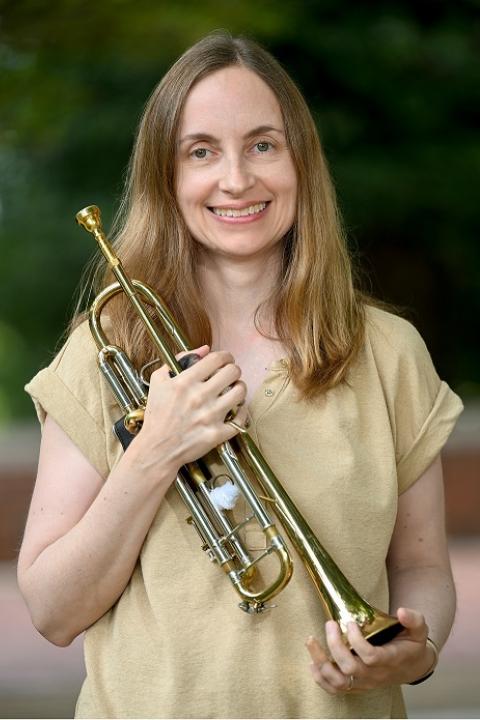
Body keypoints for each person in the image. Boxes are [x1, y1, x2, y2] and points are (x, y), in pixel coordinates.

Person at [18, 31, 463, 719]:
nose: (236, 179)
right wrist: (157, 450)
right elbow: (51, 611)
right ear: (167, 178)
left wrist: (416, 649)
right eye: (202, 152)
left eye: (263, 145)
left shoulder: (388, 352)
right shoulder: (107, 347)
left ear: (301, 163)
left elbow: (424, 570)